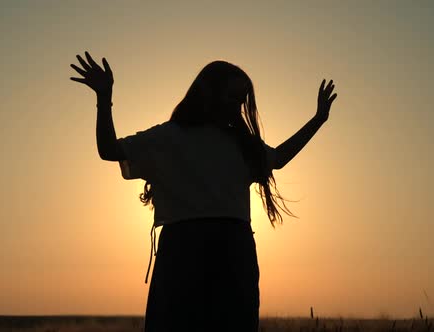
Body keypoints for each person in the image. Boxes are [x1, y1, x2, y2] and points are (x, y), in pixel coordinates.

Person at [70, 51, 338, 332]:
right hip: (185, 252)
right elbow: (110, 150)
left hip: (233, 253)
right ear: (208, 93)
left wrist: (318, 119)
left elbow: (279, 158)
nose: (237, 106)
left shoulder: (241, 143)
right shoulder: (169, 136)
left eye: (241, 99)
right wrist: (103, 98)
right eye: (231, 97)